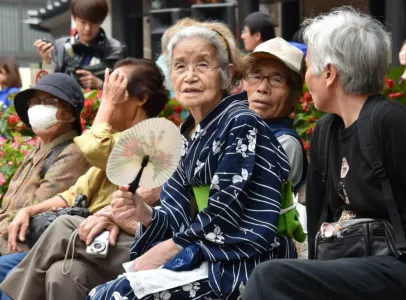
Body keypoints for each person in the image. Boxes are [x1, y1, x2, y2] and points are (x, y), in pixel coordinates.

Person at [1, 22, 295, 300]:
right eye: (180, 66)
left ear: (227, 74)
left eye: (202, 64)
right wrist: (144, 214)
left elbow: (227, 213)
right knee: (71, 274)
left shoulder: (242, 122)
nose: (190, 75)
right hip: (202, 250)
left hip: (240, 262)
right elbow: (177, 217)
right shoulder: (188, 134)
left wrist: (169, 248)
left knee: (109, 294)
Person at [243, 7, 406, 300]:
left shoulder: (391, 122)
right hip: (348, 262)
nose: (306, 78)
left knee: (270, 277)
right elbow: (320, 222)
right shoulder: (325, 131)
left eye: (308, 66)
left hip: (395, 266)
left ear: (329, 73)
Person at [0, 58, 169, 300]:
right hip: (88, 239)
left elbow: (92, 148)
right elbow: (76, 192)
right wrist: (30, 210)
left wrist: (107, 105)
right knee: (61, 274)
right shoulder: (117, 139)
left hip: (115, 239)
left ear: (141, 99)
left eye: (116, 87)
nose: (107, 93)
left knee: (54, 234)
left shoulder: (154, 138)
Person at [0, 72, 91, 256]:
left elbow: (34, 213)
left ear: (71, 114)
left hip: (22, 249)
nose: (39, 108)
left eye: (51, 102)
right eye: (35, 102)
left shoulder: (73, 153)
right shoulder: (39, 149)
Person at [245, 37, 308, 256]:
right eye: (255, 76)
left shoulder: (284, 143)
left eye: (277, 79)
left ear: (295, 96)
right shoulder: (237, 129)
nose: (262, 88)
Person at [34, 0, 126, 89]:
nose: (87, 29)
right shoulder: (60, 46)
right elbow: (40, 87)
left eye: (93, 23)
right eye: (83, 22)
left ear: (101, 21)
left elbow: (126, 87)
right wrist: (46, 60)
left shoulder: (116, 49)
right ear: (74, 18)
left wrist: (100, 84)